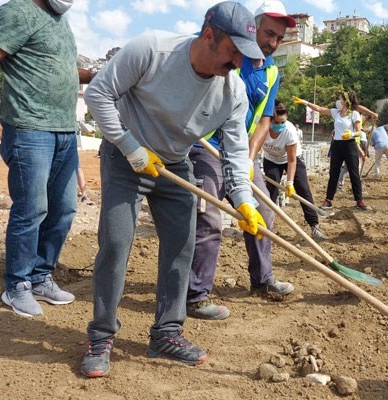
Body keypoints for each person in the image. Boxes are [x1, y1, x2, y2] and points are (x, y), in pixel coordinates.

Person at [81, 1, 267, 377]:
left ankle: (166, 333)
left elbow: (234, 156)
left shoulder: (232, 93)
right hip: (124, 155)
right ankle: (101, 335)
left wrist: (245, 202)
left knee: (183, 245)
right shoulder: (153, 50)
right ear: (209, 35)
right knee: (116, 244)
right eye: (233, 52)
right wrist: (131, 147)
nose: (237, 64)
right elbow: (99, 92)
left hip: (175, 164)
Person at [0, 0, 96, 317]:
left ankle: (41, 276)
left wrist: (98, 76)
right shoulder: (18, 11)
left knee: (64, 208)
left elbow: (61, 69)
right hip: (29, 129)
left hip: (64, 131)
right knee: (31, 208)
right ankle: (17, 285)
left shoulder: (59, 21)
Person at [186, 0, 296, 321]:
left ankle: (262, 281)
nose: (272, 43)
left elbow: (263, 120)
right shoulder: (228, 52)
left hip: (239, 152)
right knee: (208, 220)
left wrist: (248, 159)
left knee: (263, 214)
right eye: (269, 33)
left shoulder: (271, 70)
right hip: (205, 146)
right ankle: (195, 295)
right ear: (252, 26)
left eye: (279, 38)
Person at [294, 91, 377, 210]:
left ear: (346, 101)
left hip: (350, 145)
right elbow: (319, 109)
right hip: (337, 145)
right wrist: (305, 102)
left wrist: (352, 134)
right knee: (333, 173)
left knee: (354, 174)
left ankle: (359, 201)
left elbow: (359, 131)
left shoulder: (354, 114)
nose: (338, 100)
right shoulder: (335, 112)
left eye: (340, 98)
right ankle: (328, 200)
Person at [263, 100, 327, 239]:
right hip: (271, 160)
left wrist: (290, 183)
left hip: (291, 159)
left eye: (282, 122)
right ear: (269, 119)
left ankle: (314, 225)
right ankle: (266, 226)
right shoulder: (262, 126)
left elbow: (292, 160)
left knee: (303, 189)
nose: (280, 126)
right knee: (269, 192)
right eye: (276, 123)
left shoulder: (289, 130)